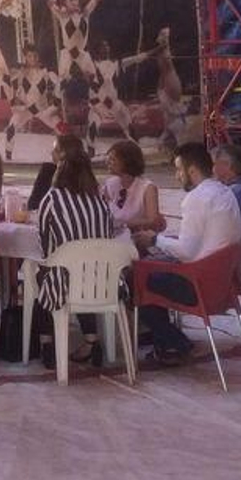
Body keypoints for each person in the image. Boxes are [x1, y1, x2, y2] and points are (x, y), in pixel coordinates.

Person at [134, 141, 241, 366]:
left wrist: (154, 239)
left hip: (200, 286)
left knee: (137, 280)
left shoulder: (196, 198)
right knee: (157, 266)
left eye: (178, 170)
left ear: (192, 171)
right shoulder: (225, 192)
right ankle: (163, 335)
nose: (177, 176)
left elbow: (186, 252)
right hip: (224, 283)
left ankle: (174, 343)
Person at [36, 148, 119, 366]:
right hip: (101, 282)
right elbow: (108, 237)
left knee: (40, 277)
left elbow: (44, 244)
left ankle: (47, 343)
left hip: (65, 283)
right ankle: (91, 341)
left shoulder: (52, 199)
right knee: (82, 273)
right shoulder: (100, 202)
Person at [100, 139, 164, 235]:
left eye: (113, 159)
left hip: (139, 238)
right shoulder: (109, 184)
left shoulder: (147, 188)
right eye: (108, 159)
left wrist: (123, 225)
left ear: (127, 161)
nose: (108, 162)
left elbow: (153, 221)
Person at [27, 132, 86, 212]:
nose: (51, 153)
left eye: (55, 150)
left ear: (65, 154)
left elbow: (33, 205)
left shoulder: (84, 179)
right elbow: (32, 205)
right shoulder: (47, 171)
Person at [213, 144, 241, 245]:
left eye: (214, 164)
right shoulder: (238, 191)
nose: (212, 169)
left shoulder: (235, 193)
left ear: (227, 165)